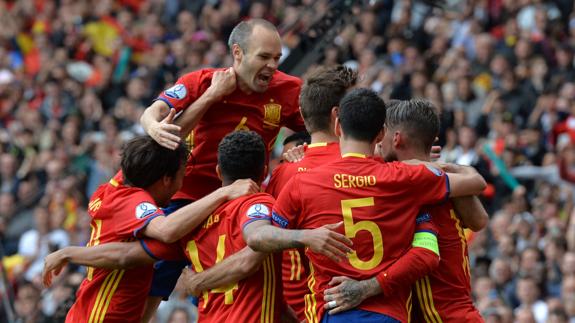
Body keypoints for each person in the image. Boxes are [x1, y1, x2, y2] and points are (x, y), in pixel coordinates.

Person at [43, 131, 352, 322]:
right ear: (262, 169)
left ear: (218, 170)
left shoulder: (188, 224)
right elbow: (251, 251)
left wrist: (71, 253)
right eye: (180, 175)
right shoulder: (255, 207)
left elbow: (127, 255)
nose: (181, 184)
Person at [242, 88, 487, 322]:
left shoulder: (303, 181)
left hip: (418, 314)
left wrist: (306, 236)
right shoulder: (407, 180)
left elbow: (261, 236)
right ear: (379, 133)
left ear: (338, 126)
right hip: (400, 312)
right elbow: (477, 209)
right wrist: (437, 167)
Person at [139, 18, 306, 313]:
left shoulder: (289, 89)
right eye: (264, 57)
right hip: (188, 201)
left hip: (242, 200)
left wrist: (296, 149)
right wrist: (153, 125)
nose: (272, 66)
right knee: (152, 285)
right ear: (238, 53)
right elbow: (155, 113)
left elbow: (317, 129)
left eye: (276, 58)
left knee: (242, 287)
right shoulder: (202, 81)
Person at [43, 136, 257, 323]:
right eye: (182, 176)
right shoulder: (134, 202)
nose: (182, 185)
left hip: (90, 312)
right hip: (103, 317)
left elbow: (155, 148)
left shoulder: (114, 186)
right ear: (166, 179)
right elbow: (156, 236)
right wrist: (224, 193)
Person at [325, 99, 486, 322]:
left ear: (396, 138)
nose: (378, 142)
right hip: (452, 311)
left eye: (382, 135)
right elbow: (480, 219)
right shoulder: (444, 182)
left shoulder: (401, 182)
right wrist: (446, 167)